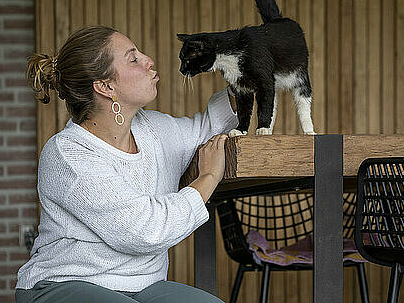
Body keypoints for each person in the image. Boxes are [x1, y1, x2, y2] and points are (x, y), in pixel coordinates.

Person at [15, 26, 238, 303]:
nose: (148, 60)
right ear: (105, 86)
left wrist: (250, 74)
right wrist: (208, 177)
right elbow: (145, 230)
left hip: (144, 286)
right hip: (64, 282)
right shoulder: (68, 154)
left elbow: (208, 127)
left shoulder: (152, 130)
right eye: (133, 59)